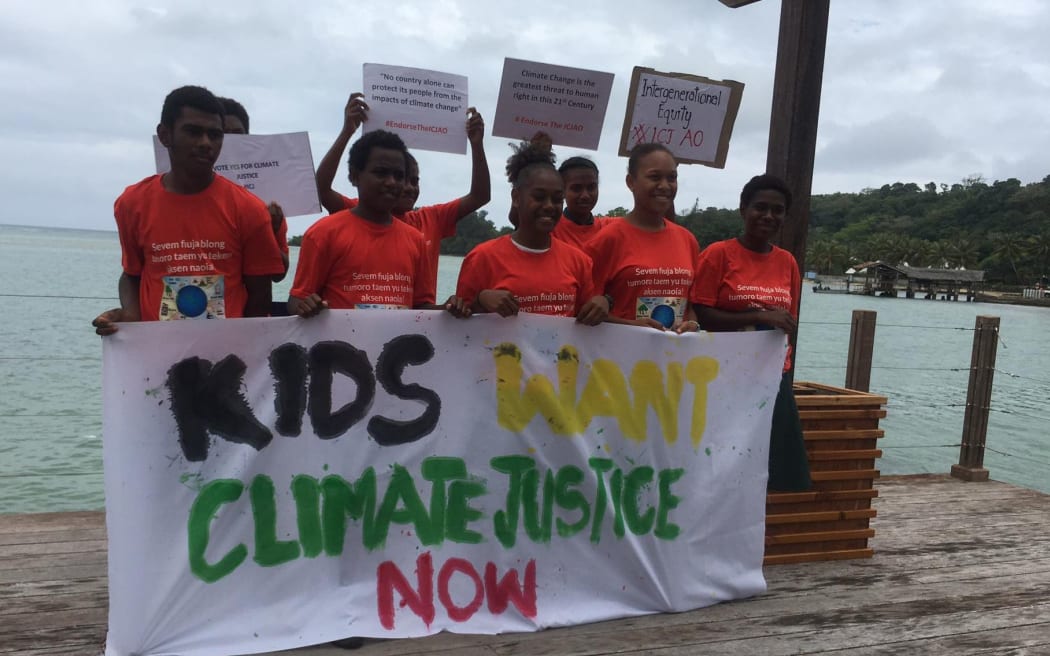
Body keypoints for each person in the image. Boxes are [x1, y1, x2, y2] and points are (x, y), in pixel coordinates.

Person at [92, 85, 285, 335]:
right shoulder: (132, 203)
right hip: (156, 354)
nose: (206, 143)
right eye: (193, 132)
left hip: (223, 358)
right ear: (165, 135)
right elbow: (131, 274)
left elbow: (259, 299)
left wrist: (244, 353)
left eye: (214, 135)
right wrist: (129, 313)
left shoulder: (249, 209)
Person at [689, 173, 811, 491]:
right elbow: (702, 314)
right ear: (743, 209)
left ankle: (760, 538)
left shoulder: (788, 263)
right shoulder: (718, 254)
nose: (768, 216)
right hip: (724, 376)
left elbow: (789, 322)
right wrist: (759, 315)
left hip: (773, 378)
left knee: (771, 476)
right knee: (720, 468)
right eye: (760, 207)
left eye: (777, 210)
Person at [314, 92, 491, 300]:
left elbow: (480, 195)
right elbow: (321, 189)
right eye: (392, 176)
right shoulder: (354, 214)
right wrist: (347, 131)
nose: (405, 186)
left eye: (413, 180)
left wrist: (477, 144)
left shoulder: (430, 219)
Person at [288, 129, 467, 317]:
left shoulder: (415, 240)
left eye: (399, 176)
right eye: (381, 173)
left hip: (396, 347)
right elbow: (297, 300)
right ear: (354, 176)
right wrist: (305, 306)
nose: (391, 182)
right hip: (340, 345)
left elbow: (421, 306)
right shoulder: (323, 233)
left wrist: (447, 309)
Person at [455, 133, 608, 324]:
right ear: (516, 198)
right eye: (539, 197)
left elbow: (586, 323)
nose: (549, 206)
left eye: (557, 199)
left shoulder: (580, 262)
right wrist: (480, 301)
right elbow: (458, 323)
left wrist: (603, 303)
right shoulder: (482, 258)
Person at [583, 143, 699, 330]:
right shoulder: (607, 240)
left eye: (672, 178)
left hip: (675, 357)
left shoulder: (687, 240)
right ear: (631, 182)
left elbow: (691, 307)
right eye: (654, 177)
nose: (664, 186)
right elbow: (584, 312)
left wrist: (693, 324)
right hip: (620, 356)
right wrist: (633, 326)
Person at [216, 96, 290, 286]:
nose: (230, 142)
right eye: (222, 134)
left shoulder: (265, 204)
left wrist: (269, 232)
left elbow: (279, 274)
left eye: (238, 135)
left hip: (251, 312)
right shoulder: (181, 193)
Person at [551, 156, 606, 249]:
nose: (585, 195)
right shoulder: (549, 230)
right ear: (562, 191)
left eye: (591, 187)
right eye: (576, 188)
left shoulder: (608, 228)